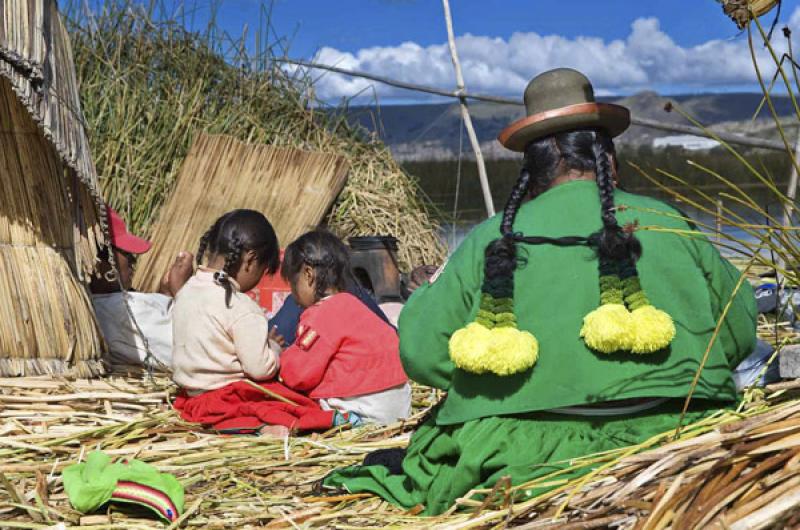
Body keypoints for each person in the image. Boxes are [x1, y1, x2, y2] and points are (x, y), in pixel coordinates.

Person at [320, 69, 758, 514]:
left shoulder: (493, 239)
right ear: (609, 158)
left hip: (522, 455)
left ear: (530, 168)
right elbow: (739, 331)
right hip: (684, 439)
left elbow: (421, 354)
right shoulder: (670, 221)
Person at [171, 210, 335, 435]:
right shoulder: (241, 307)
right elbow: (259, 369)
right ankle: (264, 429)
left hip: (191, 397)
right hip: (227, 396)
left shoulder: (187, 290)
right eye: (264, 271)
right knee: (300, 406)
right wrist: (274, 349)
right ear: (250, 260)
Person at [279, 230, 411, 425]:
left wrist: (280, 354)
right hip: (400, 410)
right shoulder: (358, 306)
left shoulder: (321, 314)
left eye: (292, 284)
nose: (293, 295)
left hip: (364, 416)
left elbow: (298, 375)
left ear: (308, 274)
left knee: (285, 401)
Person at [90, 207, 193, 367]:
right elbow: (190, 352)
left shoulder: (101, 303)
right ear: (98, 262)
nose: (133, 261)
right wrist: (182, 292)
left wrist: (165, 294)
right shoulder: (122, 309)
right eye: (126, 253)